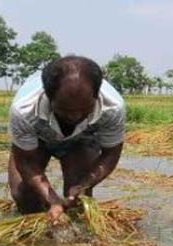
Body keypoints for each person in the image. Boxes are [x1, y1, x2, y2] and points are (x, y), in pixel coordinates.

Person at [7, 55, 125, 223]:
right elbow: (26, 162)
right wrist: (52, 201)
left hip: (81, 139)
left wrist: (84, 184)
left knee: (77, 200)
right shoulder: (24, 109)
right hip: (39, 138)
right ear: (49, 96)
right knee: (25, 195)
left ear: (96, 96)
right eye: (65, 109)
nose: (75, 116)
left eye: (85, 109)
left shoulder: (113, 108)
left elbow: (111, 154)